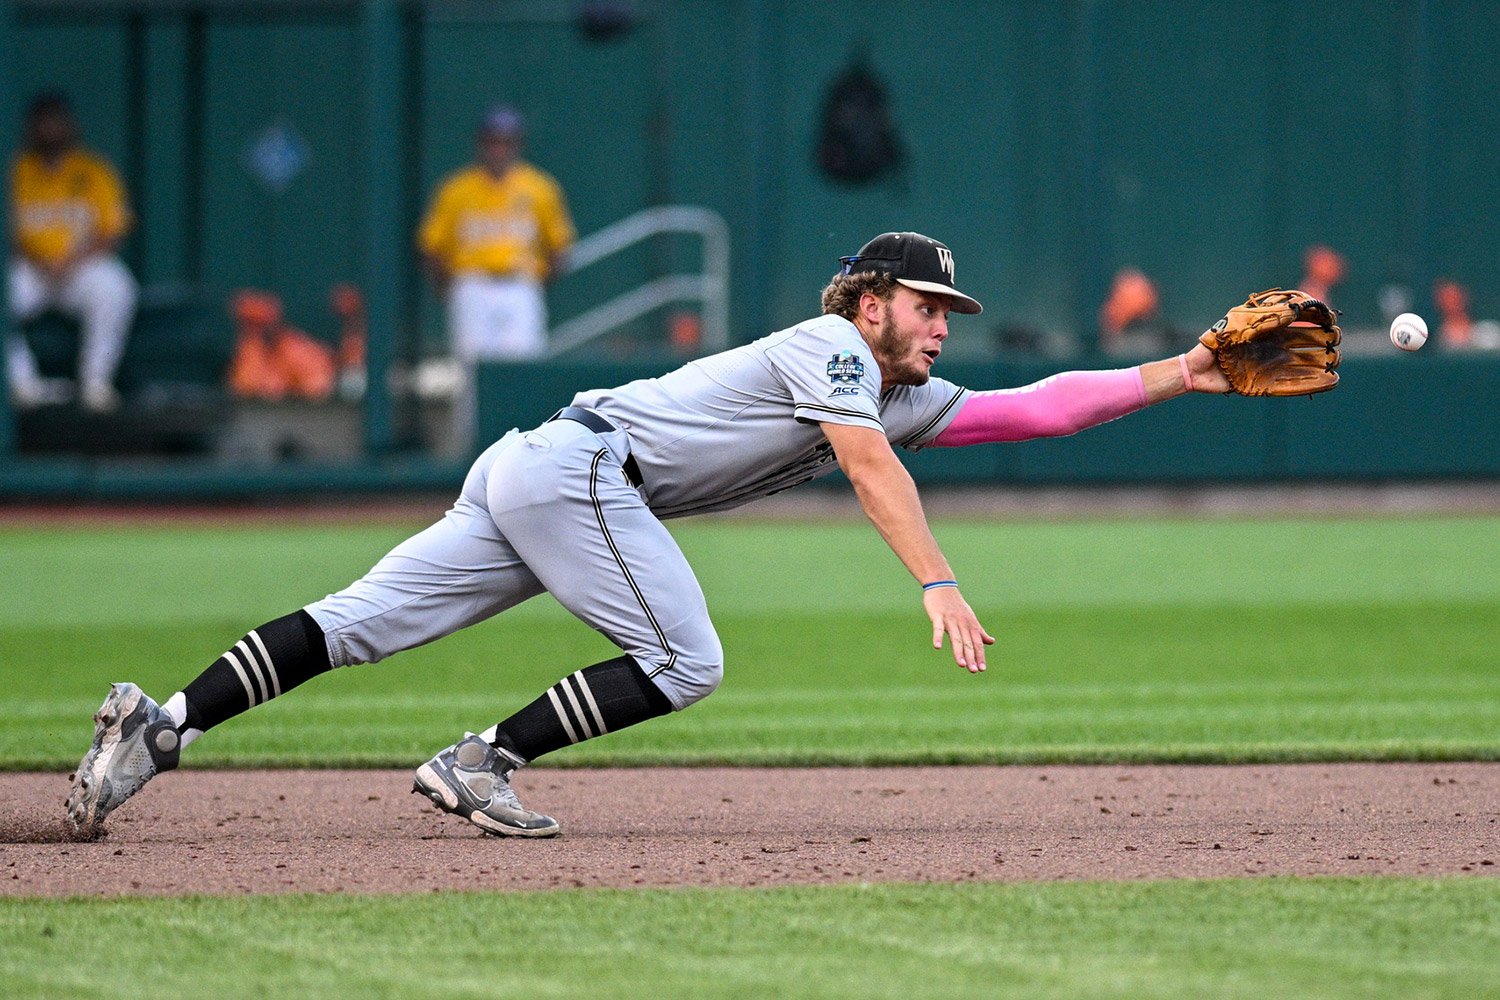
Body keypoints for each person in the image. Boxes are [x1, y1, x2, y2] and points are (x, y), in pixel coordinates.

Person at [66, 231, 1236, 839]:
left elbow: (1042, 405)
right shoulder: (831, 349)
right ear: (872, 299)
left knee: (354, 625)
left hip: (542, 469)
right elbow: (868, 467)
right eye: (928, 306)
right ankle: (478, 761)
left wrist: (1187, 370)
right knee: (688, 658)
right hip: (580, 476)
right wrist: (935, 577)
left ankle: (158, 728)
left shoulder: (901, 391)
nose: (941, 326)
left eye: (948, 313)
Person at [418, 105, 576, 450]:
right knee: (470, 372)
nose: (498, 149)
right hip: (472, 284)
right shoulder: (456, 189)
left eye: (506, 141)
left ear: (517, 144)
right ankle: (471, 452)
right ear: (481, 144)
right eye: (492, 141)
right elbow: (431, 247)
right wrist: (448, 288)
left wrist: (535, 284)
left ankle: (530, 450)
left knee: (525, 367)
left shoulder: (539, 187)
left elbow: (560, 248)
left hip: (520, 284)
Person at [7, 92, 138, 412]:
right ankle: (22, 386)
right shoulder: (16, 172)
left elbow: (113, 229)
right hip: (30, 268)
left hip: (80, 268)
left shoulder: (93, 171)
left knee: (116, 285)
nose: (50, 130)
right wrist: (40, 260)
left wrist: (71, 261)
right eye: (43, 123)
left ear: (70, 126)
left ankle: (96, 384)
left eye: (57, 122)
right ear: (31, 129)